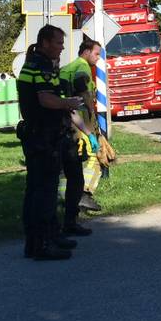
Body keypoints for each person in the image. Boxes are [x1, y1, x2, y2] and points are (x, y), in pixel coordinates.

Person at [16, 25, 84, 260]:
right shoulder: (41, 65)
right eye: (58, 43)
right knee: (44, 191)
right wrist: (69, 103)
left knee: (37, 189)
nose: (62, 47)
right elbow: (46, 100)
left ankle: (41, 240)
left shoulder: (36, 63)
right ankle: (43, 244)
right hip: (43, 137)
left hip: (38, 135)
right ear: (44, 42)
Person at [59, 39, 103, 225]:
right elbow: (81, 89)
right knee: (93, 157)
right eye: (96, 53)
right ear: (86, 52)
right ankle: (84, 193)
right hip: (79, 118)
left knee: (68, 161)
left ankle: (63, 195)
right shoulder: (82, 67)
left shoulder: (69, 66)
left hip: (65, 116)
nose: (98, 58)